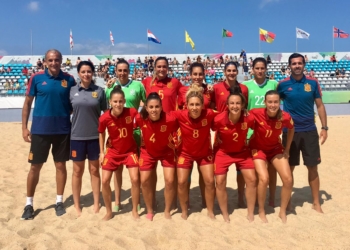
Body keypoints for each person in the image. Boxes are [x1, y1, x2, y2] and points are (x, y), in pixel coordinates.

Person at [21, 49, 76, 220]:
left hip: (62, 130)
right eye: (50, 60)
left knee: (60, 166)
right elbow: (28, 103)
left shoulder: (69, 79)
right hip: (40, 131)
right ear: (45, 61)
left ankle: (59, 201)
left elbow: (75, 103)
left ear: (61, 61)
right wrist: (24, 127)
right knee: (35, 167)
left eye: (57, 60)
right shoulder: (36, 78)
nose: (54, 63)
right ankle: (29, 204)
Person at [277, 53, 328, 213]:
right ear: (289, 66)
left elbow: (319, 106)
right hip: (290, 132)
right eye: (294, 63)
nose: (297, 66)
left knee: (312, 167)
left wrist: (324, 128)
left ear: (304, 65)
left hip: (309, 131)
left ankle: (316, 203)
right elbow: (274, 106)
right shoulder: (282, 85)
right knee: (289, 168)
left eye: (299, 63)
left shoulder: (313, 83)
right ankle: (289, 202)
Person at [105, 59, 146, 212]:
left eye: (125, 70)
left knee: (136, 169)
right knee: (117, 170)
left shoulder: (138, 85)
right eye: (119, 70)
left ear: (129, 71)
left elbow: (146, 104)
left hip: (134, 134)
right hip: (116, 134)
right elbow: (106, 110)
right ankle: (117, 201)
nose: (122, 73)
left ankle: (138, 199)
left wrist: (140, 123)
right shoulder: (110, 88)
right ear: (115, 71)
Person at [171, 85, 217, 220]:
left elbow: (227, 113)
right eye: (192, 104)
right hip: (185, 153)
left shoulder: (209, 113)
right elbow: (162, 116)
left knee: (209, 181)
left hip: (204, 153)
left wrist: (244, 111)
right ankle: (184, 211)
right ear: (186, 105)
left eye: (197, 104)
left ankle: (210, 211)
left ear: (203, 105)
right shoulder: (180, 115)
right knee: (181, 182)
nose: (195, 107)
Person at [212, 86, 257, 223]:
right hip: (223, 152)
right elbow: (210, 130)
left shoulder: (249, 118)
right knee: (219, 182)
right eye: (232, 103)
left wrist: (251, 143)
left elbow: (258, 130)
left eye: (238, 103)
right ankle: (225, 213)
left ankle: (250, 212)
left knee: (252, 179)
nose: (235, 106)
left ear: (243, 104)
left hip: (242, 152)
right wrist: (217, 139)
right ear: (227, 105)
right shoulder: (219, 119)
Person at [249, 90, 294, 223]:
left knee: (288, 179)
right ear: (265, 102)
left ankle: (282, 212)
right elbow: (242, 123)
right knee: (264, 179)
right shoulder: (255, 113)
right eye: (270, 102)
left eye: (275, 102)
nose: (273, 105)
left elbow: (292, 128)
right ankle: (261, 210)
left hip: (275, 148)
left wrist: (287, 148)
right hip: (258, 149)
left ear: (279, 102)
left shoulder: (285, 116)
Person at [69, 61, 107, 216]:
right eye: (83, 71)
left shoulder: (99, 91)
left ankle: (97, 203)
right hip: (76, 137)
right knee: (77, 171)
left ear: (93, 73)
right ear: (78, 73)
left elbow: (106, 114)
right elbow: (68, 111)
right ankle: (77, 204)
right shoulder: (71, 91)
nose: (86, 74)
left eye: (89, 71)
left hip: (94, 137)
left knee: (94, 171)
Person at [98, 86, 140, 220]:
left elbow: (143, 122)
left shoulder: (132, 112)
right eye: (115, 101)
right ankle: (109, 211)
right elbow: (101, 133)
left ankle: (134, 210)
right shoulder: (104, 117)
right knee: (104, 181)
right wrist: (101, 153)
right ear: (110, 102)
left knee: (135, 178)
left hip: (129, 150)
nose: (118, 104)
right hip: (112, 151)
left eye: (120, 101)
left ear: (124, 101)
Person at [136, 93, 179, 220]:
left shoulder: (170, 119)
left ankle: (167, 210)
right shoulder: (140, 118)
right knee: (144, 180)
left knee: (170, 181)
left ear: (161, 107)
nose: (154, 110)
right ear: (147, 108)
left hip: (167, 151)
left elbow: (182, 126)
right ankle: (150, 210)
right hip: (147, 152)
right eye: (151, 107)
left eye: (156, 107)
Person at [211, 61, 248, 207]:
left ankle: (240, 197)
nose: (231, 73)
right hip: (221, 132)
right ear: (224, 72)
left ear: (237, 72)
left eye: (234, 70)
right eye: (229, 70)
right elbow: (212, 107)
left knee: (240, 169)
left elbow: (246, 110)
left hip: (239, 132)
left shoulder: (243, 89)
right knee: (220, 169)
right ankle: (219, 199)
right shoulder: (216, 88)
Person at [243, 57, 278, 207]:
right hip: (252, 132)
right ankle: (258, 197)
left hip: (270, 131)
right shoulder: (245, 86)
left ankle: (271, 197)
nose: (259, 70)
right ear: (252, 69)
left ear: (266, 69)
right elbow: (242, 106)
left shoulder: (274, 84)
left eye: (262, 68)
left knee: (272, 168)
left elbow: (279, 103)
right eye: (257, 68)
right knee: (257, 168)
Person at [177, 62, 213, 208]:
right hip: (186, 134)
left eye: (200, 74)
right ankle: (187, 203)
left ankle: (205, 202)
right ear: (190, 75)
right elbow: (178, 111)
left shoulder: (209, 91)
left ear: (204, 75)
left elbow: (214, 111)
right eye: (195, 74)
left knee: (205, 176)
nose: (197, 77)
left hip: (203, 135)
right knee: (186, 176)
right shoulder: (182, 90)